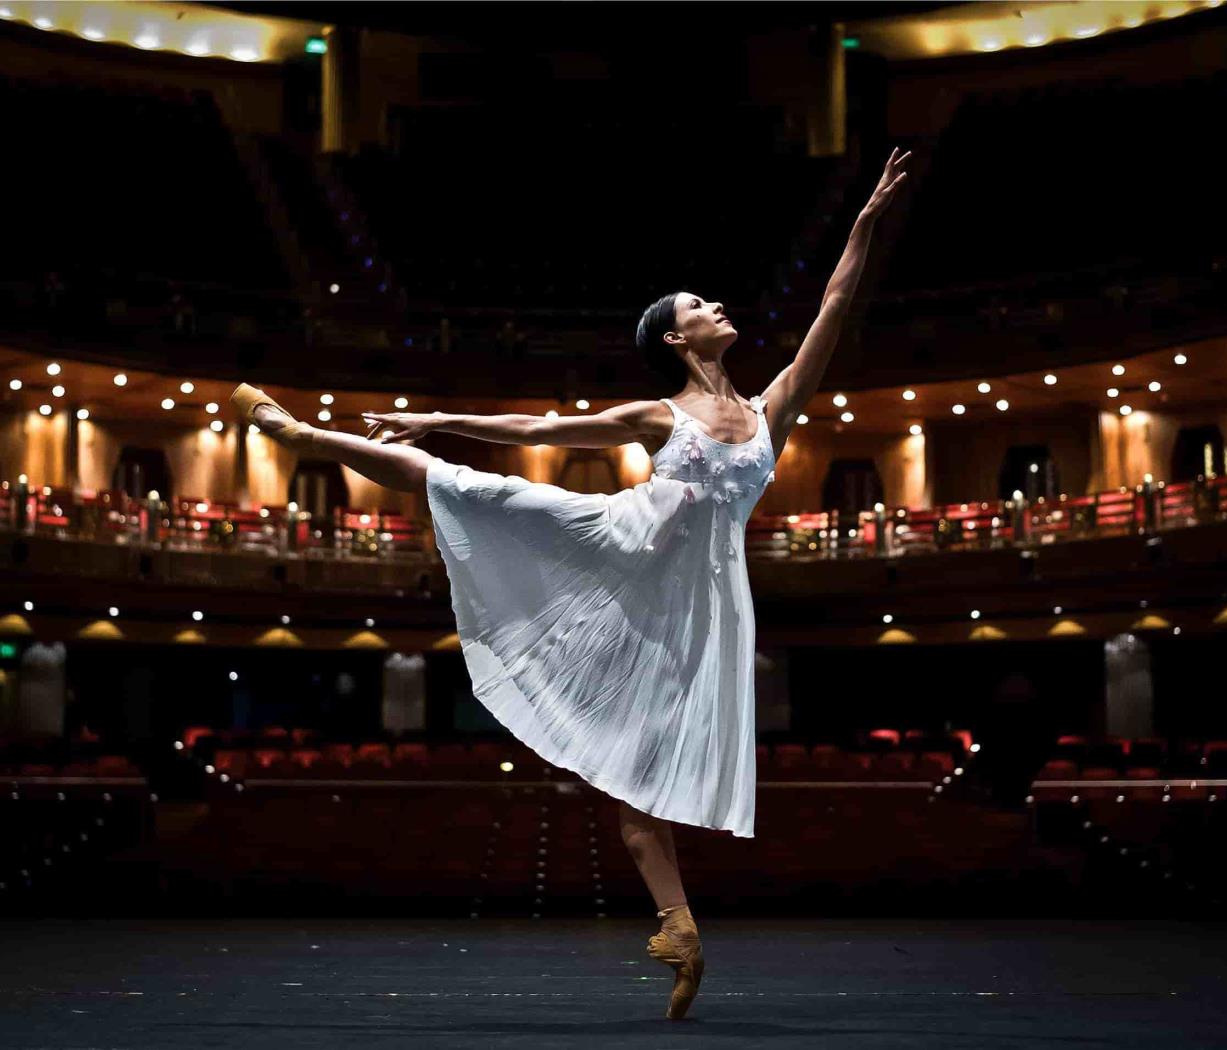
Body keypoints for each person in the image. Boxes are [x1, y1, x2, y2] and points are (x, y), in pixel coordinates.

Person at [230, 147, 910, 1019]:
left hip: (702, 602)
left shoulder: (773, 409)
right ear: (676, 337)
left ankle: (680, 931)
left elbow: (837, 304)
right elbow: (542, 427)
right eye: (700, 304)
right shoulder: (655, 414)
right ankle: (307, 440)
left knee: (637, 779)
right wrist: (440, 416)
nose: (718, 307)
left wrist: (864, 222)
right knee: (473, 486)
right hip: (621, 546)